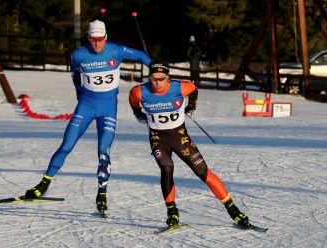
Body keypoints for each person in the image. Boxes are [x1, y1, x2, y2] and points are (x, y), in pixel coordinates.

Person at [24, 20, 151, 216]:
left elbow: (142, 56)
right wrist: (79, 92)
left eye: (100, 39)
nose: (97, 44)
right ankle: (43, 184)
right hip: (86, 106)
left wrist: (155, 69)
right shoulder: (79, 54)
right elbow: (75, 74)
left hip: (108, 109)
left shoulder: (116, 50)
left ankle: (102, 193)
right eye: (93, 39)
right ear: (88, 38)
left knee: (103, 152)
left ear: (105, 37)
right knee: (66, 145)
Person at [128, 61, 251, 229]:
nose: (157, 83)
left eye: (161, 79)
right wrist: (139, 114)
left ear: (168, 78)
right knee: (166, 168)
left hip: (180, 137)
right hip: (158, 138)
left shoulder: (180, 88)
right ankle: (172, 213)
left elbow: (193, 90)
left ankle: (233, 209)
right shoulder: (139, 91)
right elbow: (133, 101)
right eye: (153, 79)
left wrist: (191, 106)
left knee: (202, 172)